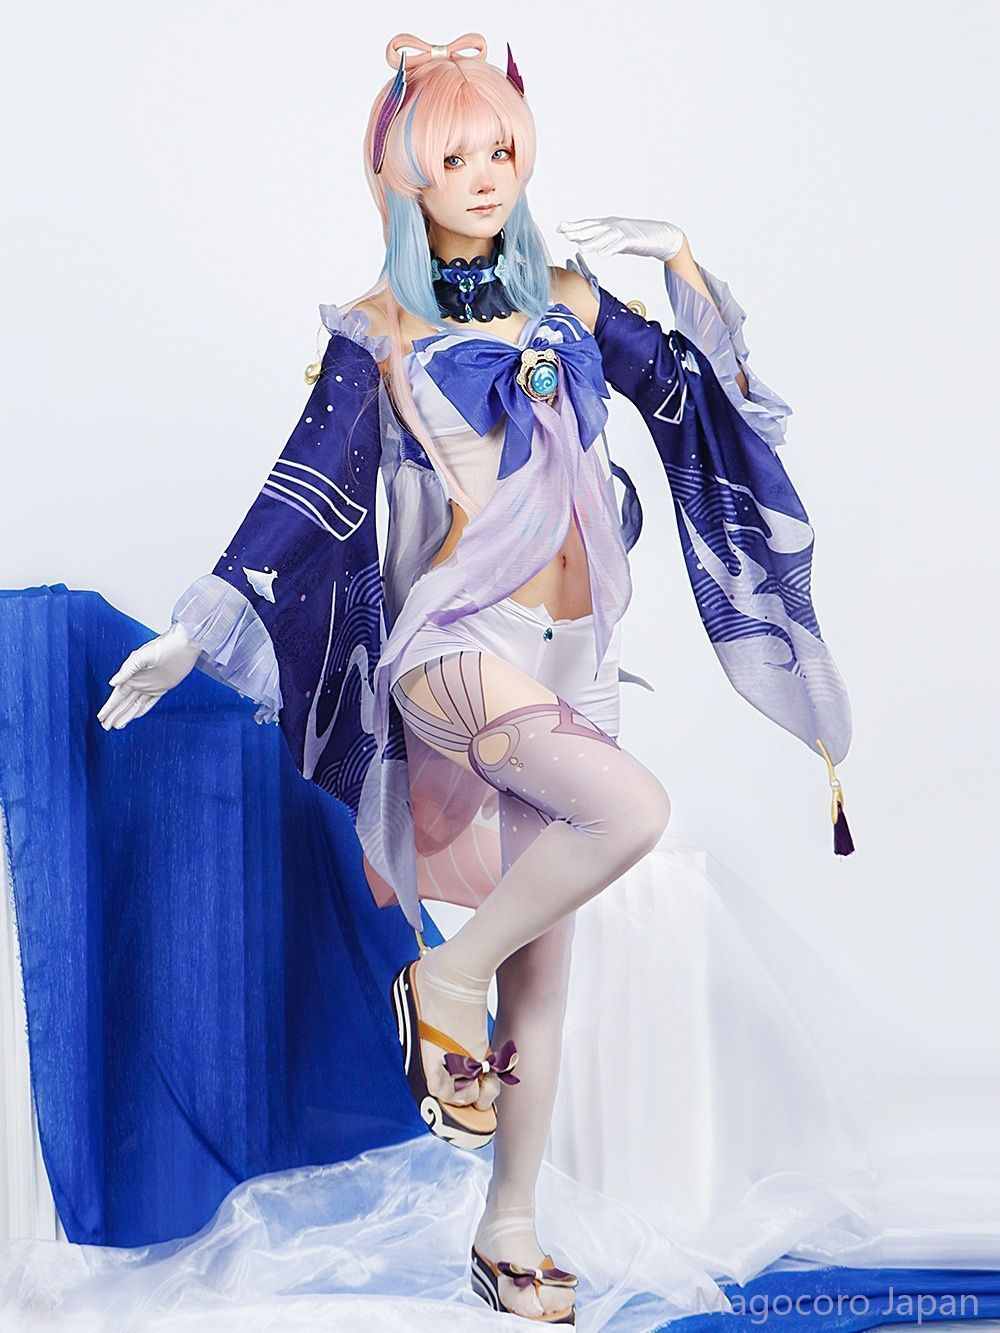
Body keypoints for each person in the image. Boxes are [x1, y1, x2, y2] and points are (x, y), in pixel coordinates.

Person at [98, 31, 852, 1324]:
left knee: (541, 977)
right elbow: (301, 491)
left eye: (502, 147)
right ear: (405, 176)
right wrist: (201, 629)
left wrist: (680, 265)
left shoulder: (568, 298)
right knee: (633, 812)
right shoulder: (380, 328)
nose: (488, 174)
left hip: (581, 663)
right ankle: (440, 980)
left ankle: (508, 1232)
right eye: (456, 157)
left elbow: (699, 405)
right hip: (457, 650)